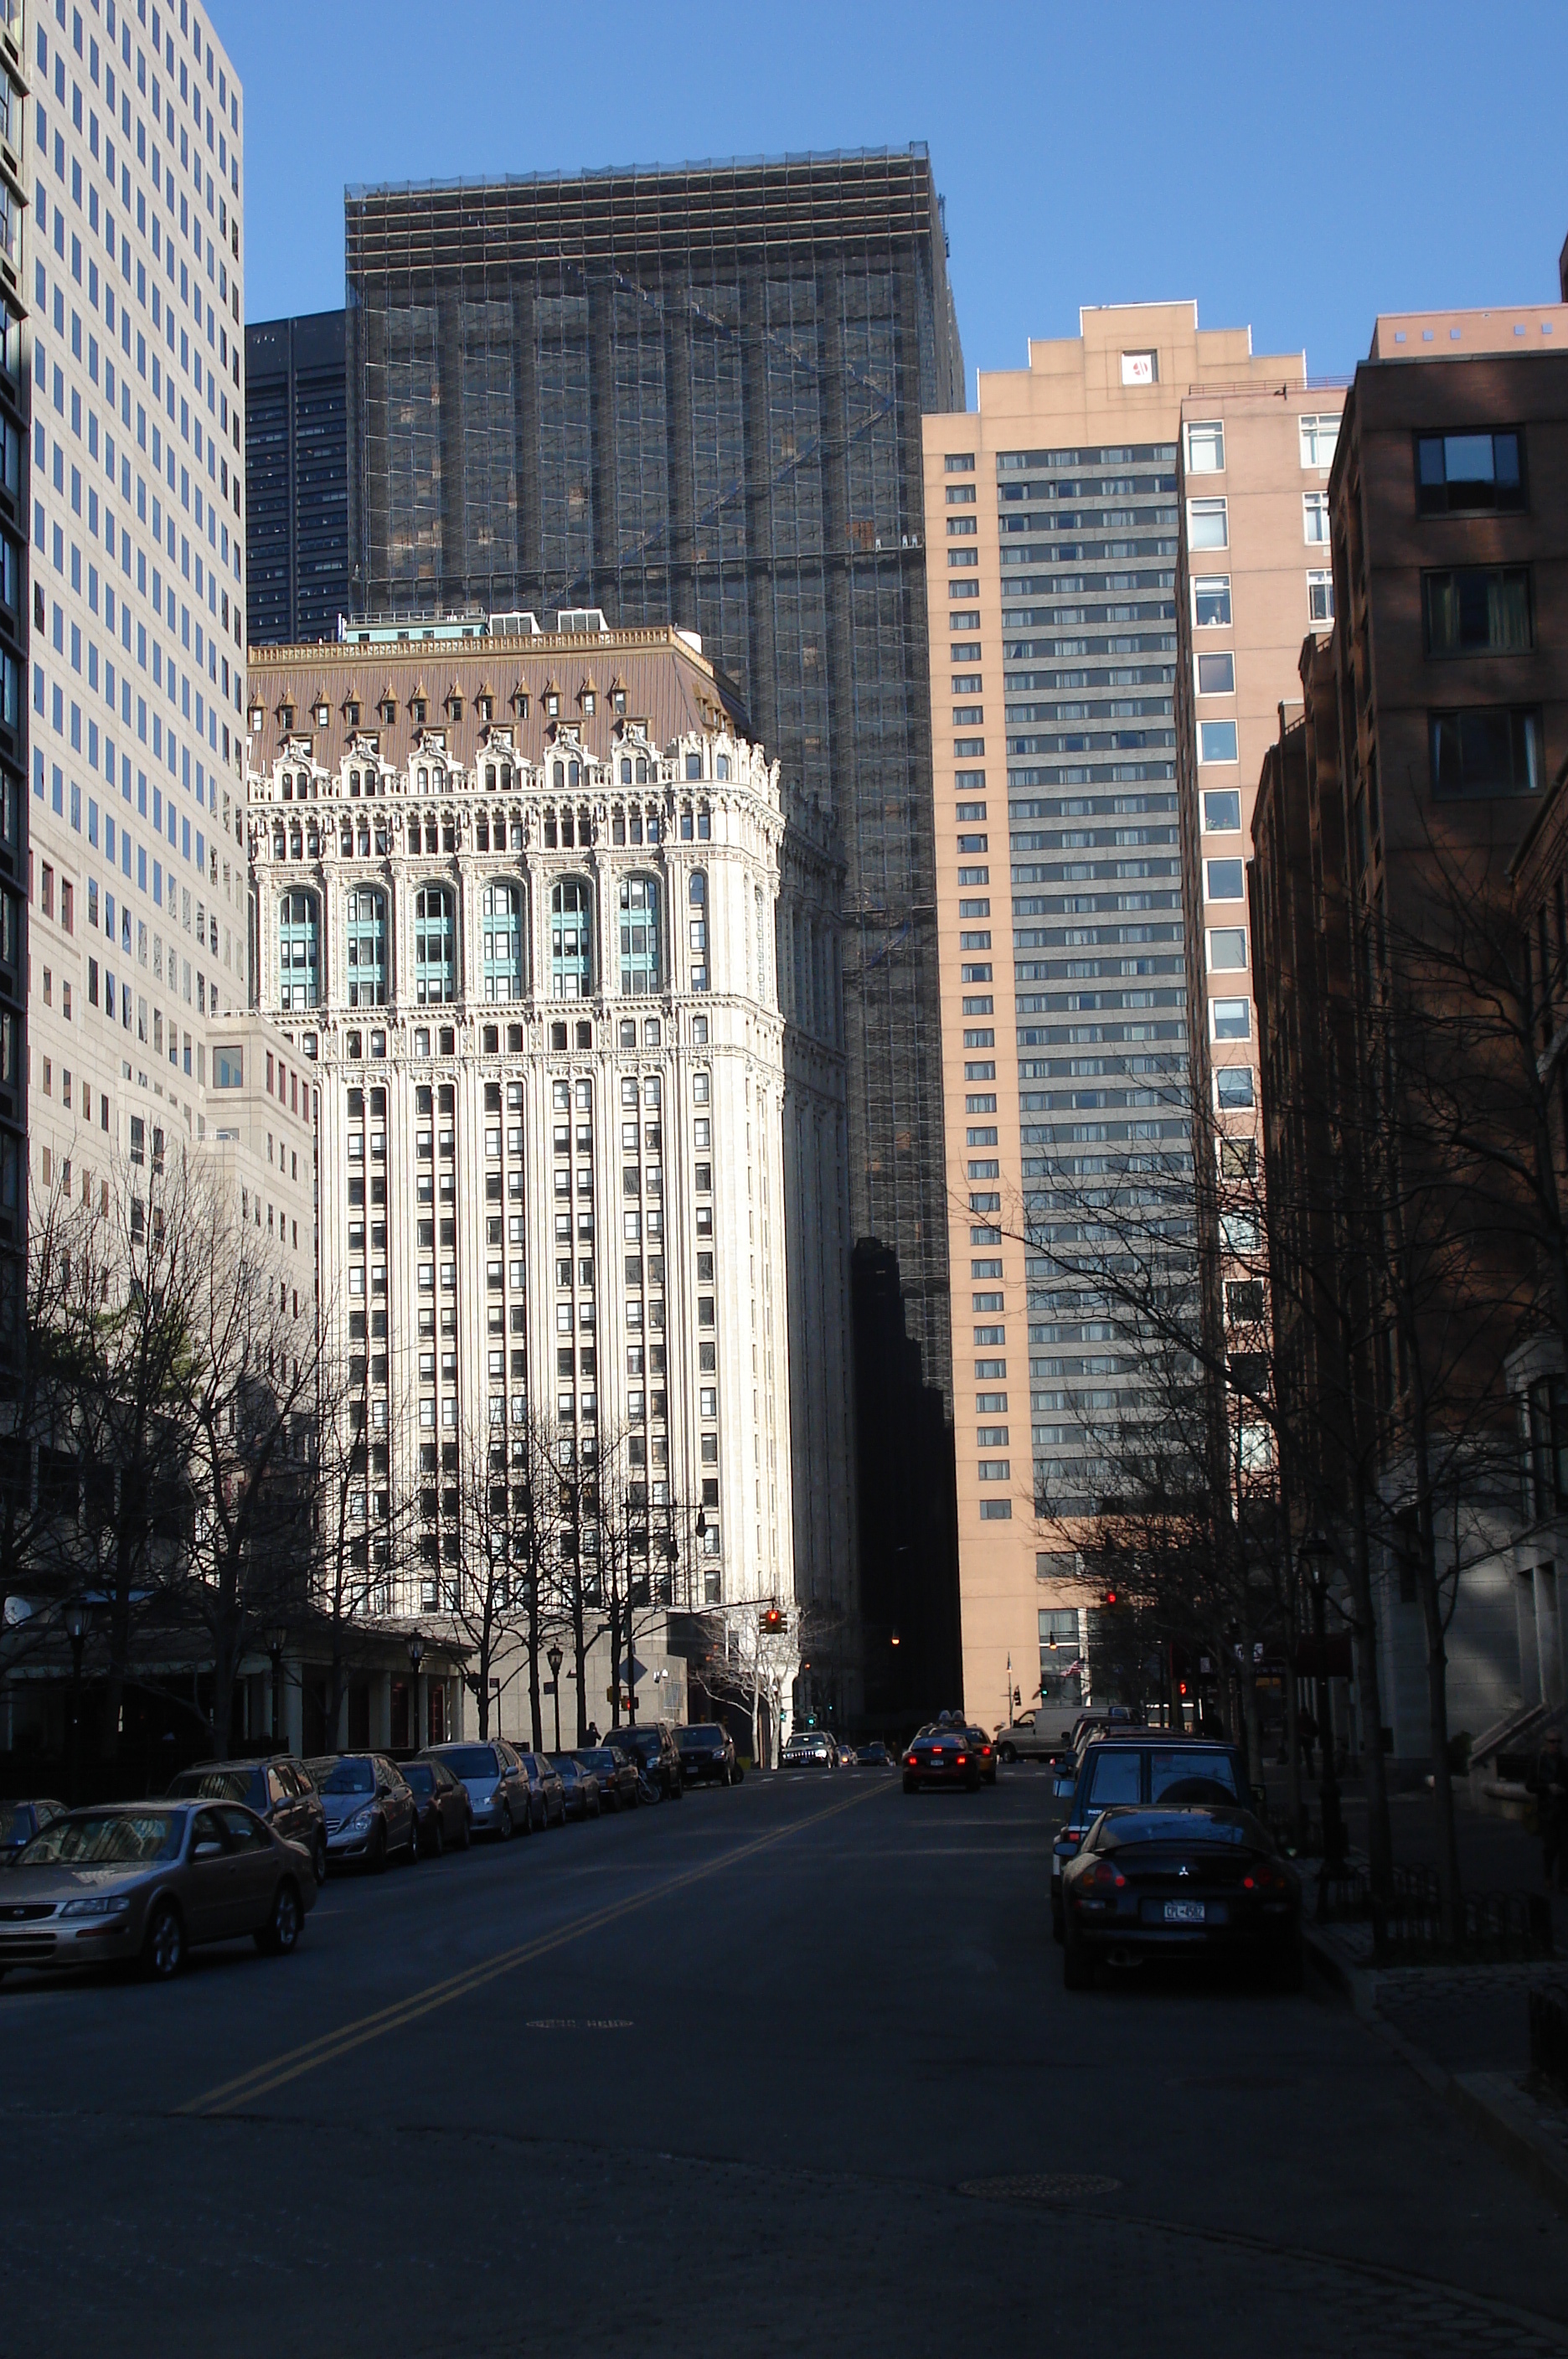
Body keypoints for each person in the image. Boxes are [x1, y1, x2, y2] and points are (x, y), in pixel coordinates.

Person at [1530, 1727, 1568, 1894]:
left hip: (1564, 1810)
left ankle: (1564, 1883)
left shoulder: (1565, 1762)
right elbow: (1529, 1786)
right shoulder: (1538, 1763)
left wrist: (1563, 1790)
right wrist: (1547, 1788)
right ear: (1546, 1743)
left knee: (1566, 1848)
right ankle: (1548, 1874)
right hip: (1547, 1811)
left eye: (1559, 1741)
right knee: (1552, 1847)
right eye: (1553, 1741)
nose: (1556, 1745)